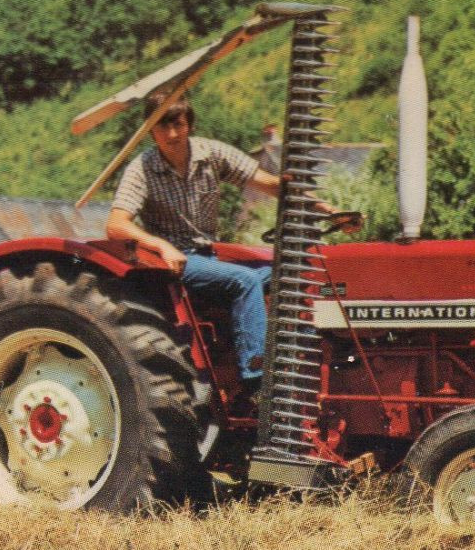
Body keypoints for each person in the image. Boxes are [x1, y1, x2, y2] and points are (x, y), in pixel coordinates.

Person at [106, 91, 357, 386]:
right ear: (150, 129)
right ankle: (257, 378)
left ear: (190, 125)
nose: (172, 134)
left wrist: (330, 210)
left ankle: (308, 356)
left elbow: (272, 185)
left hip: (208, 255)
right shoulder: (142, 169)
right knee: (245, 280)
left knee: (289, 272)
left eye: (179, 125)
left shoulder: (211, 154)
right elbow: (116, 225)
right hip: (175, 262)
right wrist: (162, 246)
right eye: (163, 126)